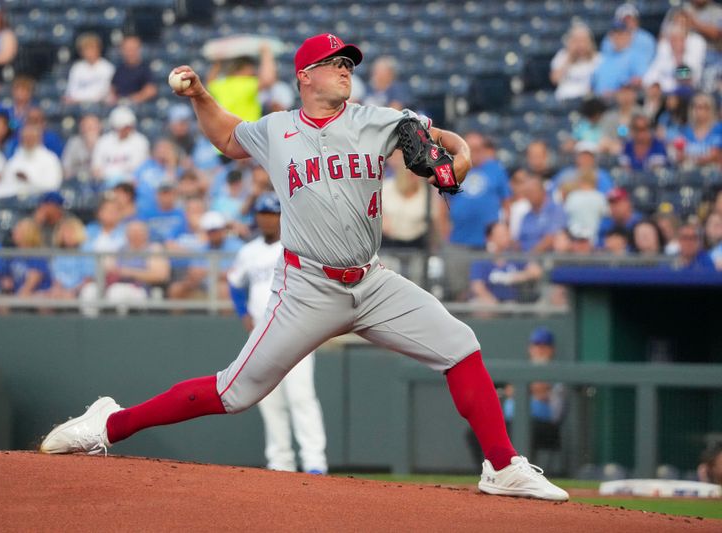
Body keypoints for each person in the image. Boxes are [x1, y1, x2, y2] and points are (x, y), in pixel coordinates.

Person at [40, 33, 568, 502]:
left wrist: (460, 160)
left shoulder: (379, 120)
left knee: (460, 344)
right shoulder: (277, 130)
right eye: (335, 61)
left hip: (372, 280)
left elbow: (450, 145)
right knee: (233, 392)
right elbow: (226, 136)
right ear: (305, 76)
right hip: (307, 285)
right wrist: (201, 95)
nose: (346, 69)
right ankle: (108, 425)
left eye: (349, 63)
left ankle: (502, 467)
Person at [227, 192, 328, 474]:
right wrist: (242, 313)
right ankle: (280, 462)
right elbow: (234, 283)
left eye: (273, 213)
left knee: (301, 397)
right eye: (263, 213)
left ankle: (314, 462)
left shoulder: (296, 243)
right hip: (261, 333)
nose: (267, 218)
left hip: (296, 331)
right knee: (269, 401)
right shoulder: (248, 251)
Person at [501, 328, 567, 466]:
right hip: (512, 420)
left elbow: (541, 387)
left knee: (529, 429)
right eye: (536, 345)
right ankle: (489, 471)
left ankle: (526, 472)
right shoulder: (523, 368)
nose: (539, 349)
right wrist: (534, 390)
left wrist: (531, 389)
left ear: (551, 349)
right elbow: (510, 390)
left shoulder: (557, 369)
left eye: (544, 345)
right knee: (480, 431)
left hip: (544, 425)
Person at [440, 132, 511, 249]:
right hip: (458, 240)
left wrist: (505, 232)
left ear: (483, 149)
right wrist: (445, 232)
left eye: (478, 149)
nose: (474, 152)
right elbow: (443, 205)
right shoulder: (453, 169)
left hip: (489, 241)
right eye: (470, 148)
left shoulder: (496, 170)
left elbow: (507, 204)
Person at [167, 211, 243, 301]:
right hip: (203, 285)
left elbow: (236, 274)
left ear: (223, 229)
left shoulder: (236, 246)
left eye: (215, 230)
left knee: (223, 289)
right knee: (176, 289)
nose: (213, 234)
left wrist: (209, 272)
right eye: (210, 231)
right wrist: (194, 277)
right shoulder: (201, 248)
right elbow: (193, 272)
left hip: (226, 285)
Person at [469, 221, 542, 306]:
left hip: (511, 302)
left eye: (507, 234)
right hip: (489, 302)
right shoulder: (481, 259)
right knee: (482, 307)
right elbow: (477, 286)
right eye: (501, 235)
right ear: (489, 237)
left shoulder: (514, 255)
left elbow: (536, 271)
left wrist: (514, 277)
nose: (506, 238)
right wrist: (494, 303)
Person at [207, 43, 277, 123]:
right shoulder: (246, 83)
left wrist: (217, 62)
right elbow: (268, 80)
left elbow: (210, 82)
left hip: (225, 129)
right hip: (246, 130)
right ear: (245, 67)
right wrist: (266, 54)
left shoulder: (221, 84)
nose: (253, 71)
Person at [0, 123, 63, 199]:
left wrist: (29, 180)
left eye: (31, 137)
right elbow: (2, 186)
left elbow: (52, 186)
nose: (28, 140)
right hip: (14, 202)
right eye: (25, 138)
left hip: (39, 201)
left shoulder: (50, 159)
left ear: (39, 138)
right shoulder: (14, 161)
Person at [92, 106, 150, 186]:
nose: (126, 130)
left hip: (131, 184)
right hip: (106, 182)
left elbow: (139, 170)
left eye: (128, 126)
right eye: (123, 127)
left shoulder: (140, 141)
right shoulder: (104, 141)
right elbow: (96, 169)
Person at [0, 217, 51, 298]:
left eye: (18, 230)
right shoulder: (13, 255)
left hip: (35, 294)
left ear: (27, 233)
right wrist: (6, 282)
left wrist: (15, 299)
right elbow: (5, 277)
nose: (14, 232)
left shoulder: (37, 256)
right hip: (17, 294)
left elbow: (29, 285)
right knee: (2, 301)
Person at [592, 21, 648, 97]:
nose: (617, 37)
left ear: (629, 36)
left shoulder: (636, 57)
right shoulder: (604, 58)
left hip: (621, 101)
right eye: (614, 34)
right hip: (599, 101)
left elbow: (639, 82)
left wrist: (616, 93)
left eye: (621, 34)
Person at [643, 24, 706, 92]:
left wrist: (679, 60)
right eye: (673, 40)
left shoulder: (692, 55)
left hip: (690, 93)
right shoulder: (664, 56)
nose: (676, 43)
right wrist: (657, 84)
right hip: (667, 94)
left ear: (684, 40)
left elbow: (685, 78)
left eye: (679, 39)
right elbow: (648, 77)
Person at [47, 217, 95, 301]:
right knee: (46, 298)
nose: (67, 235)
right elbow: (56, 276)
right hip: (62, 290)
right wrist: (58, 290)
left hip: (80, 289)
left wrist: (73, 291)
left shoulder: (86, 249)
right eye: (64, 232)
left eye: (70, 232)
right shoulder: (58, 252)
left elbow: (88, 278)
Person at [550, 23, 601, 101]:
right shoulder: (562, 56)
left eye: (583, 40)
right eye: (576, 41)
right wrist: (570, 58)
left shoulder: (598, 58)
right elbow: (555, 79)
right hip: (564, 100)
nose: (580, 45)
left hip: (587, 101)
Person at [517, 174, 567, 253]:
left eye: (531, 192)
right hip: (525, 259)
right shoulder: (526, 216)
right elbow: (519, 240)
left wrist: (532, 255)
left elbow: (552, 237)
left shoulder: (555, 210)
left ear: (542, 191)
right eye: (526, 193)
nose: (528, 196)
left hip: (547, 260)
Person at [64, 32, 115, 104]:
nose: (89, 52)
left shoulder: (107, 68)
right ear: (81, 52)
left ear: (98, 49)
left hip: (100, 105)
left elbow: (102, 93)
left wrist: (80, 98)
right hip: (78, 105)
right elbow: (71, 92)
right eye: (86, 49)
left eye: (92, 48)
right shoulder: (77, 68)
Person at [675, 93, 722, 169]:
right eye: (694, 107)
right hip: (691, 174)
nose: (697, 111)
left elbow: (714, 156)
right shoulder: (686, 130)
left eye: (701, 107)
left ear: (709, 110)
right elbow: (680, 155)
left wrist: (689, 159)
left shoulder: (718, 128)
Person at [562, 170, 609, 245]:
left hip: (574, 239)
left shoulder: (573, 196)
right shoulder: (599, 197)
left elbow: (565, 216)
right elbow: (607, 215)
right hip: (593, 239)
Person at [109, 34, 156, 105]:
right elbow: (113, 88)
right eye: (127, 50)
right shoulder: (119, 69)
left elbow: (151, 90)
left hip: (138, 106)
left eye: (132, 49)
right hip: (120, 104)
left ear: (138, 50)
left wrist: (134, 99)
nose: (130, 53)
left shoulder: (145, 69)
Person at [61, 113, 102, 181]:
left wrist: (92, 146)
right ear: (81, 128)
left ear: (99, 127)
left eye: (92, 127)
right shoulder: (73, 142)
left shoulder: (105, 142)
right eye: (86, 126)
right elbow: (65, 168)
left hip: (98, 181)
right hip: (76, 180)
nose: (89, 130)